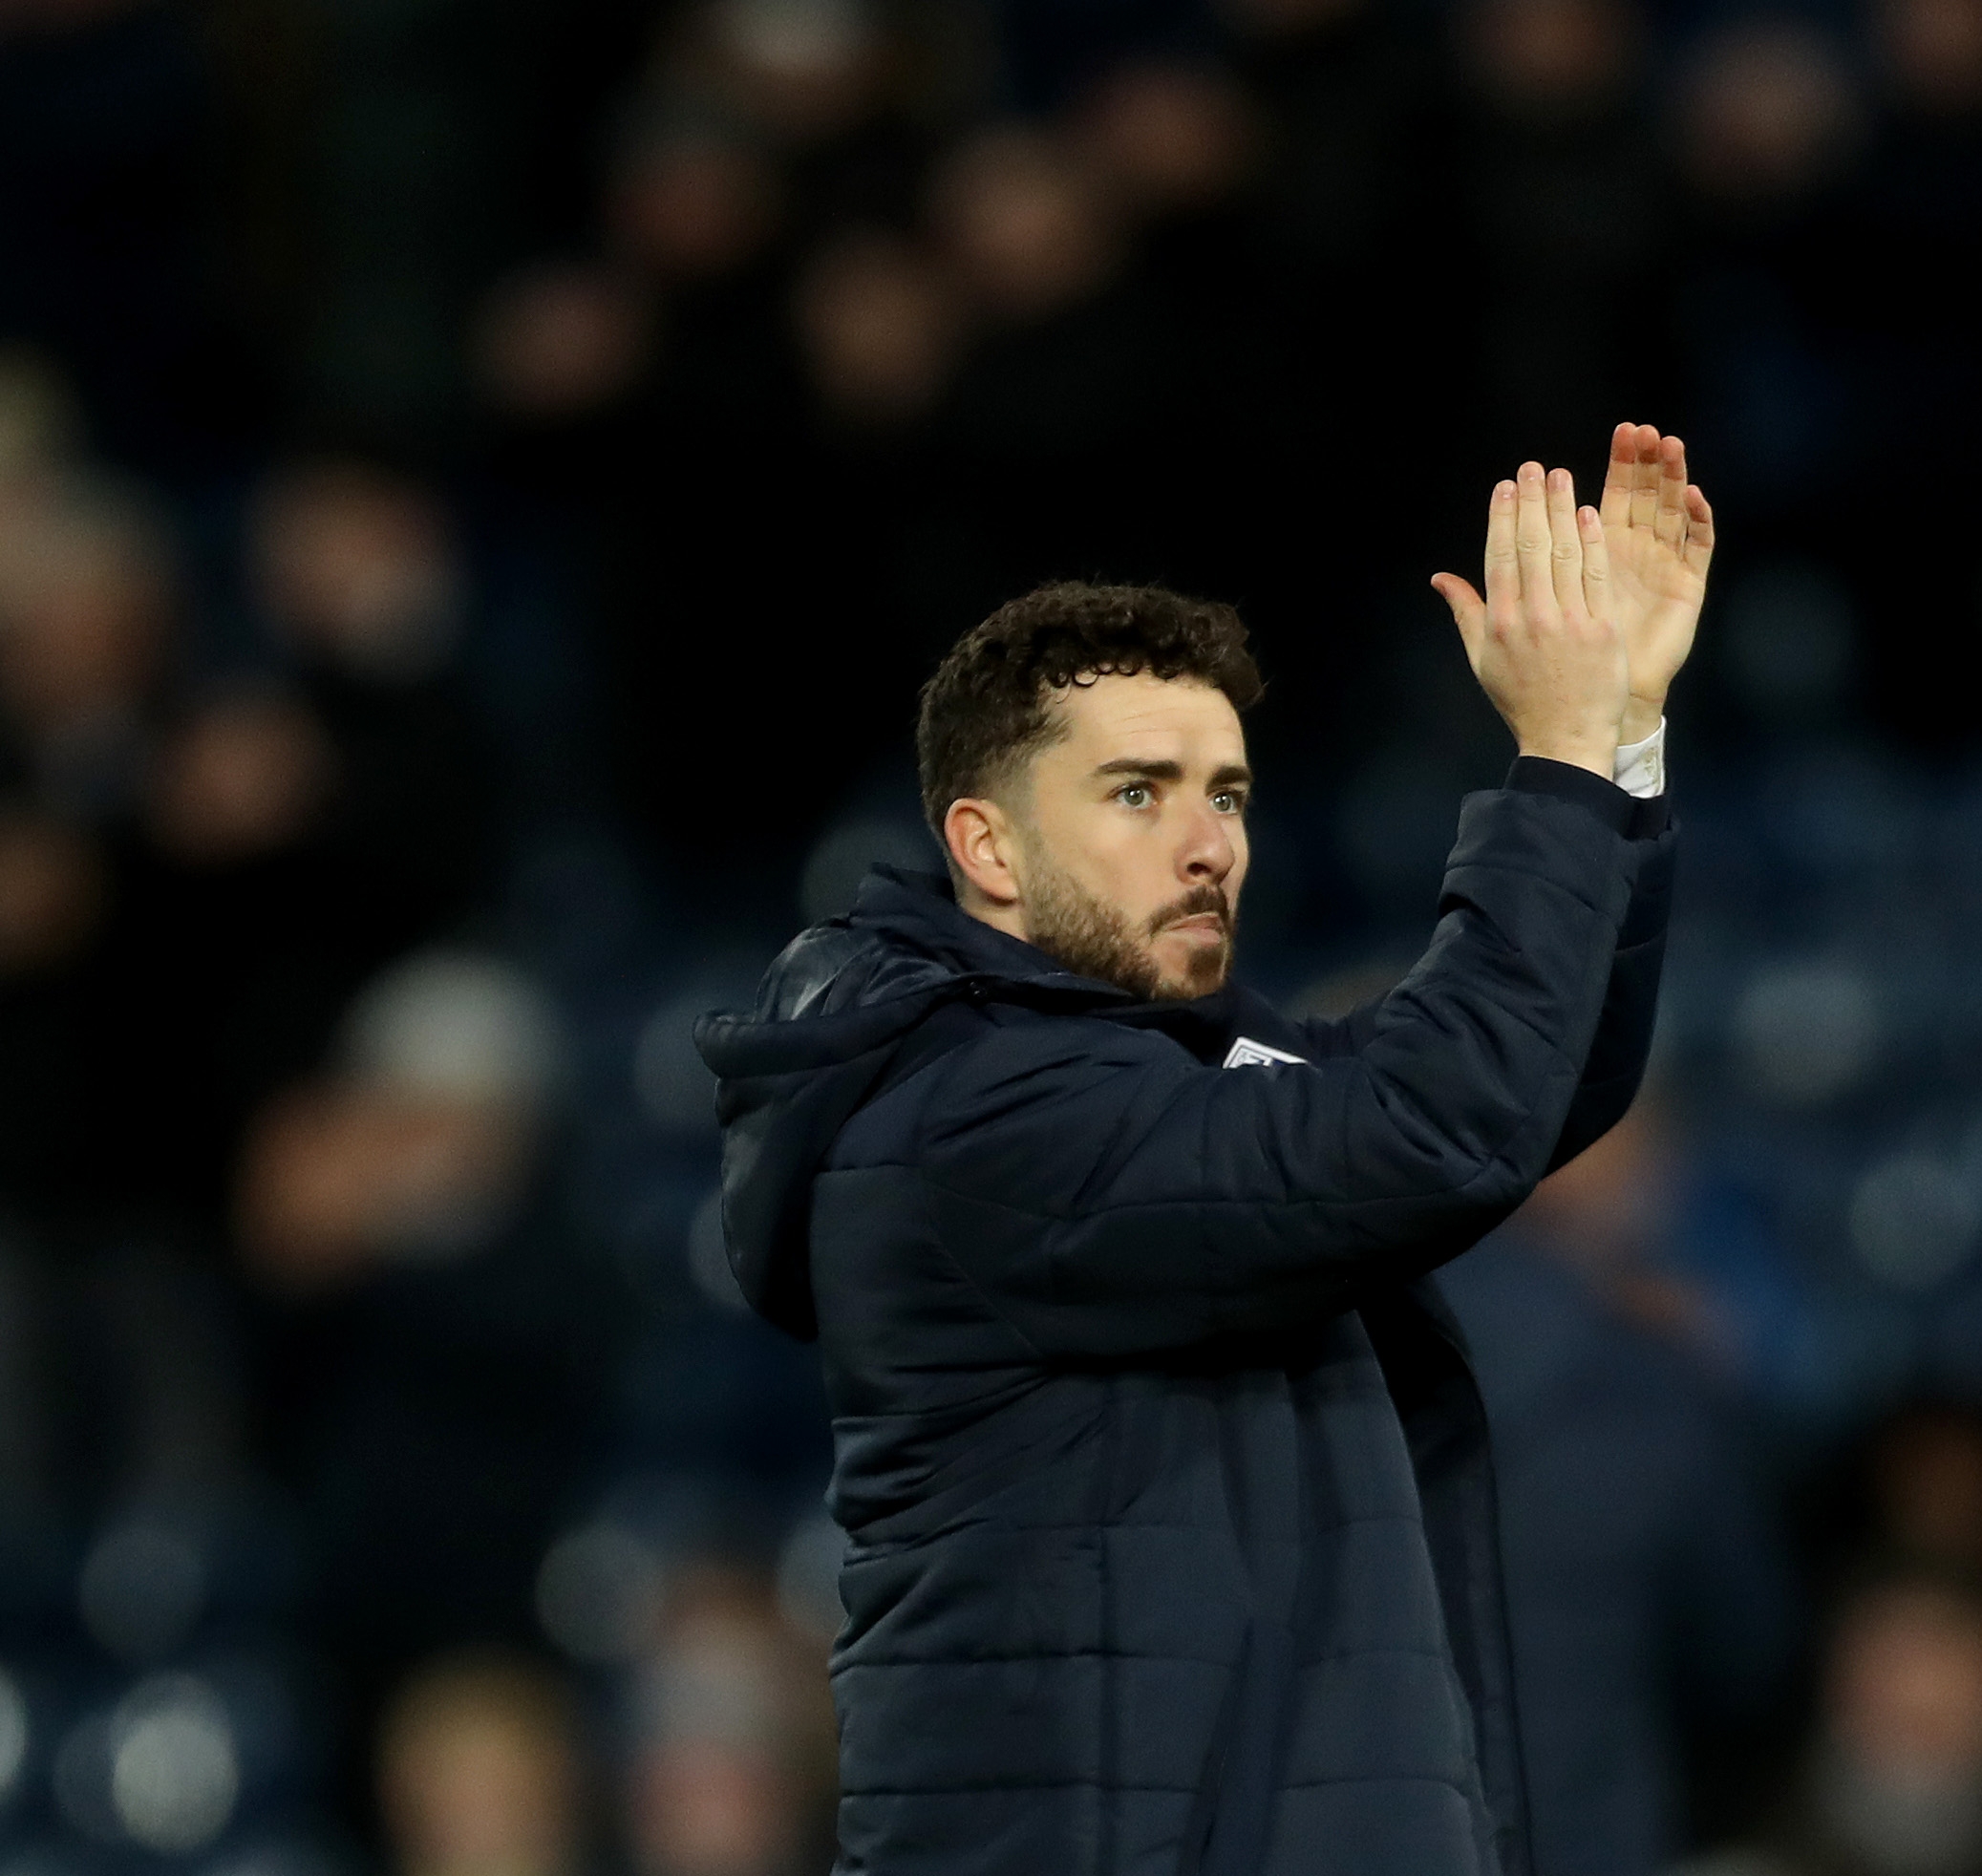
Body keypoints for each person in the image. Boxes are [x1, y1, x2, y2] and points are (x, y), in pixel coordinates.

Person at [697, 422, 1714, 1875]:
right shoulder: (968, 1117)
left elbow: (1531, 1094)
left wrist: (1616, 736)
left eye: (1226, 793)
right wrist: (1552, 762)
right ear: (987, 848)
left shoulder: (1169, 1079)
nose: (1208, 842)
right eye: (1139, 791)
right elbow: (1438, 1126)